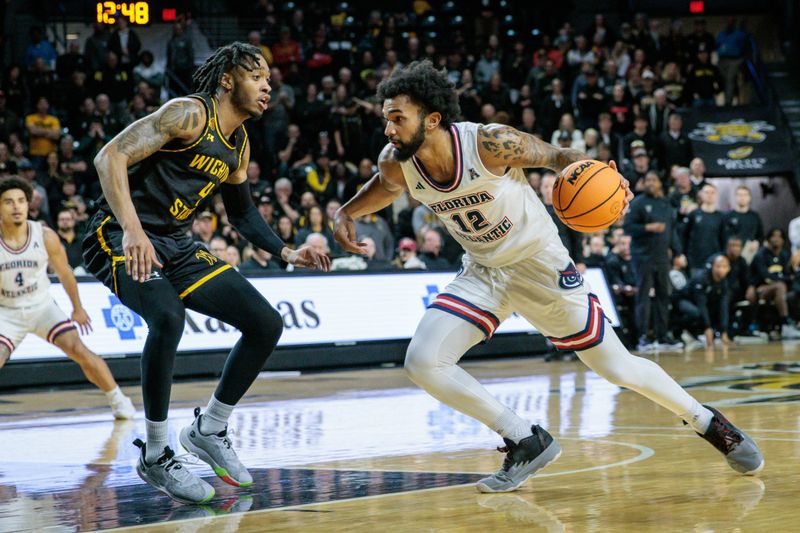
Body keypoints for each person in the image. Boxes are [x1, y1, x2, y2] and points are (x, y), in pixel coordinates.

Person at [333, 60, 763, 494]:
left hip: (538, 264)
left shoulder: (490, 144)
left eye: (397, 118)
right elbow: (385, 188)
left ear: (433, 119)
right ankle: (525, 439)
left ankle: (709, 422)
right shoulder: (395, 162)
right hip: (482, 270)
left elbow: (561, 158)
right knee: (423, 361)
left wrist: (610, 184)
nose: (388, 129)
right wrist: (347, 211)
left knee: (616, 367)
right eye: (386, 118)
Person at [82, 43, 331, 504]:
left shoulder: (238, 143)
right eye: (257, 76)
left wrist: (287, 252)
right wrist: (134, 231)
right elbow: (108, 158)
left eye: (269, 79)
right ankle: (156, 453)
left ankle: (209, 428)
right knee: (168, 317)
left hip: (176, 243)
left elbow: (242, 214)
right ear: (227, 80)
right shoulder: (187, 115)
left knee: (265, 323)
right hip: (117, 233)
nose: (267, 85)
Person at [0, 177, 134, 420]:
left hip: (41, 307)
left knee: (78, 349)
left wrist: (78, 308)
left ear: (28, 204)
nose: (16, 206)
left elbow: (65, 274)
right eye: (9, 202)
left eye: (21, 201)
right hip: (6, 311)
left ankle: (118, 399)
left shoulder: (45, 235)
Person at [624, 171, 686, 352]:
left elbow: (671, 231)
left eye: (654, 180)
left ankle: (663, 335)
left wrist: (678, 252)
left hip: (662, 258)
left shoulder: (666, 204)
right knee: (643, 296)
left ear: (660, 183)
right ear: (643, 184)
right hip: (642, 257)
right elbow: (628, 227)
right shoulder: (638, 203)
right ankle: (643, 337)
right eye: (647, 180)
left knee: (663, 296)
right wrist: (647, 227)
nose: (650, 183)